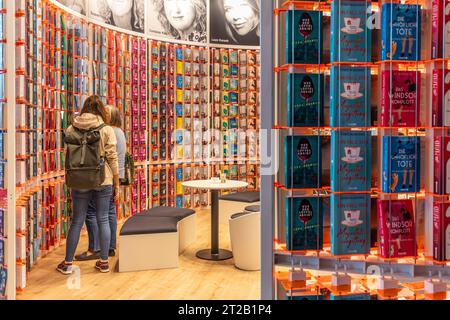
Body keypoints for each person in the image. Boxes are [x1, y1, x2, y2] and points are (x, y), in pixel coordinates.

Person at [57, 96, 119, 274]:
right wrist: (117, 183)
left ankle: (68, 263)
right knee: (103, 218)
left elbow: (68, 155)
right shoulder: (106, 129)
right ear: (100, 110)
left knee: (77, 221)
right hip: (103, 179)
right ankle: (104, 261)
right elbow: (112, 158)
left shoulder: (71, 128)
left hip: (79, 180)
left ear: (84, 108)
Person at [75, 106, 126, 261]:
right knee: (109, 212)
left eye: (106, 112)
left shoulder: (108, 131)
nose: (102, 114)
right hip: (115, 176)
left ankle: (95, 248)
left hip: (105, 177)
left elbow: (110, 157)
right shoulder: (120, 132)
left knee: (92, 212)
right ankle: (109, 247)